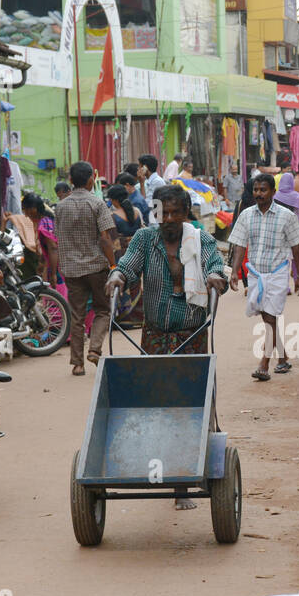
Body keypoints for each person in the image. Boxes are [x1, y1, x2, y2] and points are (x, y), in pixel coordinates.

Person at [108, 185, 227, 509]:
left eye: (176, 212)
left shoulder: (199, 239)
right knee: (160, 405)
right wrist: (118, 276)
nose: (170, 219)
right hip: (157, 336)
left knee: (191, 406)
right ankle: (169, 471)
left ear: (186, 212)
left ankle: (186, 479)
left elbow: (215, 263)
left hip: (192, 334)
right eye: (165, 212)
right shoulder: (146, 239)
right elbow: (129, 265)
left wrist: (215, 277)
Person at [228, 173, 299, 382]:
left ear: (273, 192)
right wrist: (236, 272)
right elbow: (239, 245)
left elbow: (296, 246)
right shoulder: (246, 215)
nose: (258, 194)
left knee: (270, 316)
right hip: (255, 273)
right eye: (256, 190)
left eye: (263, 190)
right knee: (266, 316)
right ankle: (282, 358)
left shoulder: (286, 216)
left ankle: (264, 362)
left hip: (278, 272)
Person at [57, 161, 117, 375]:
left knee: (77, 316)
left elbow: (59, 239)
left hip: (72, 270)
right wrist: (113, 264)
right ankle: (94, 349)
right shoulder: (97, 204)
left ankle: (77, 364)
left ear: (71, 181)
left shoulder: (60, 207)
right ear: (92, 179)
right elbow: (106, 238)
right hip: (96, 267)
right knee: (102, 310)